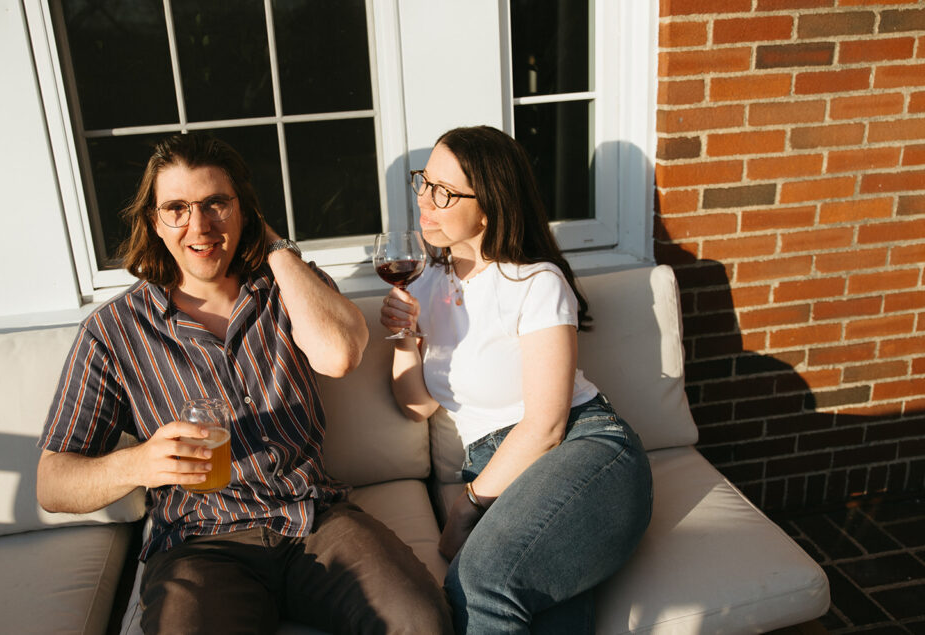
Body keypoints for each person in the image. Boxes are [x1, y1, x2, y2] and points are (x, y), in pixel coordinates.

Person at [37, 133, 452, 635]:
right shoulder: (113, 331)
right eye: (177, 208)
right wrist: (141, 462)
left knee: (422, 623)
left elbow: (339, 355)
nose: (200, 225)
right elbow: (52, 483)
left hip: (315, 519)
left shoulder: (289, 284)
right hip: (200, 543)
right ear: (155, 222)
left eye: (217, 203)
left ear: (243, 210)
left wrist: (273, 246)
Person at [380, 126, 653, 634]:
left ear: (488, 206)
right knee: (544, 614)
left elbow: (547, 426)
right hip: (500, 472)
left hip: (582, 448)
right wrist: (402, 340)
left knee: (477, 580)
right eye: (424, 181)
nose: (424, 199)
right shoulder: (426, 282)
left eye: (443, 190)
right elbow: (417, 406)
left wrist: (467, 504)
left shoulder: (535, 283)